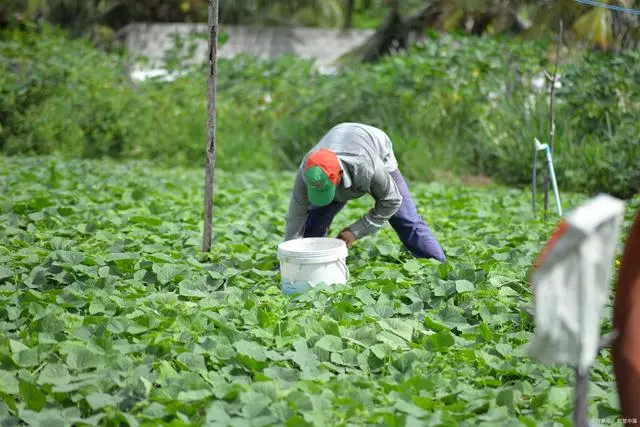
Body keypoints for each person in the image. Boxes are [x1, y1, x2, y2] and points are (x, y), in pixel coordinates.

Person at [283, 122, 446, 262]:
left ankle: (435, 263)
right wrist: (290, 256)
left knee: (405, 218)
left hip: (375, 145)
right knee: (314, 219)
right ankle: (307, 261)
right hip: (338, 137)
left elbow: (392, 200)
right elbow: (296, 216)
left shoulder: (369, 169)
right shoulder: (307, 172)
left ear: (339, 175)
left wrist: (355, 231)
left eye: (328, 188)